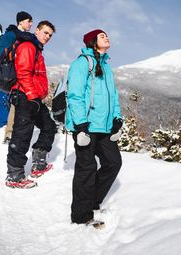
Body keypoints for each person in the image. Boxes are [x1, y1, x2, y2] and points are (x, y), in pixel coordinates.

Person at [65, 29, 123, 226]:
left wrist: (117, 118)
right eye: (102, 36)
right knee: (86, 168)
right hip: (87, 125)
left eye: (107, 34)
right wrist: (80, 125)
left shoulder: (107, 66)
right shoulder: (82, 63)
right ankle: (81, 216)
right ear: (92, 42)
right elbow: (75, 95)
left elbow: (113, 96)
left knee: (113, 162)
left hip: (104, 126)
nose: (106, 36)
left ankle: (92, 201)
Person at [5, 20, 57, 189]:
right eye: (45, 32)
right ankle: (14, 176)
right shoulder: (28, 46)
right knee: (22, 135)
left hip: (33, 98)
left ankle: (38, 163)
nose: (47, 36)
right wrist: (31, 95)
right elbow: (23, 73)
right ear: (37, 31)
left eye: (50, 34)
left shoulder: (37, 49)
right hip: (25, 96)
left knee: (48, 126)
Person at [0, 11, 34, 144]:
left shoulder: (29, 37)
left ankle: (15, 132)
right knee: (15, 103)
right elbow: (2, 55)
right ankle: (9, 134)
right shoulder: (9, 35)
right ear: (20, 22)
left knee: (20, 103)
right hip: (13, 73)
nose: (30, 23)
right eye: (28, 21)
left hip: (25, 73)